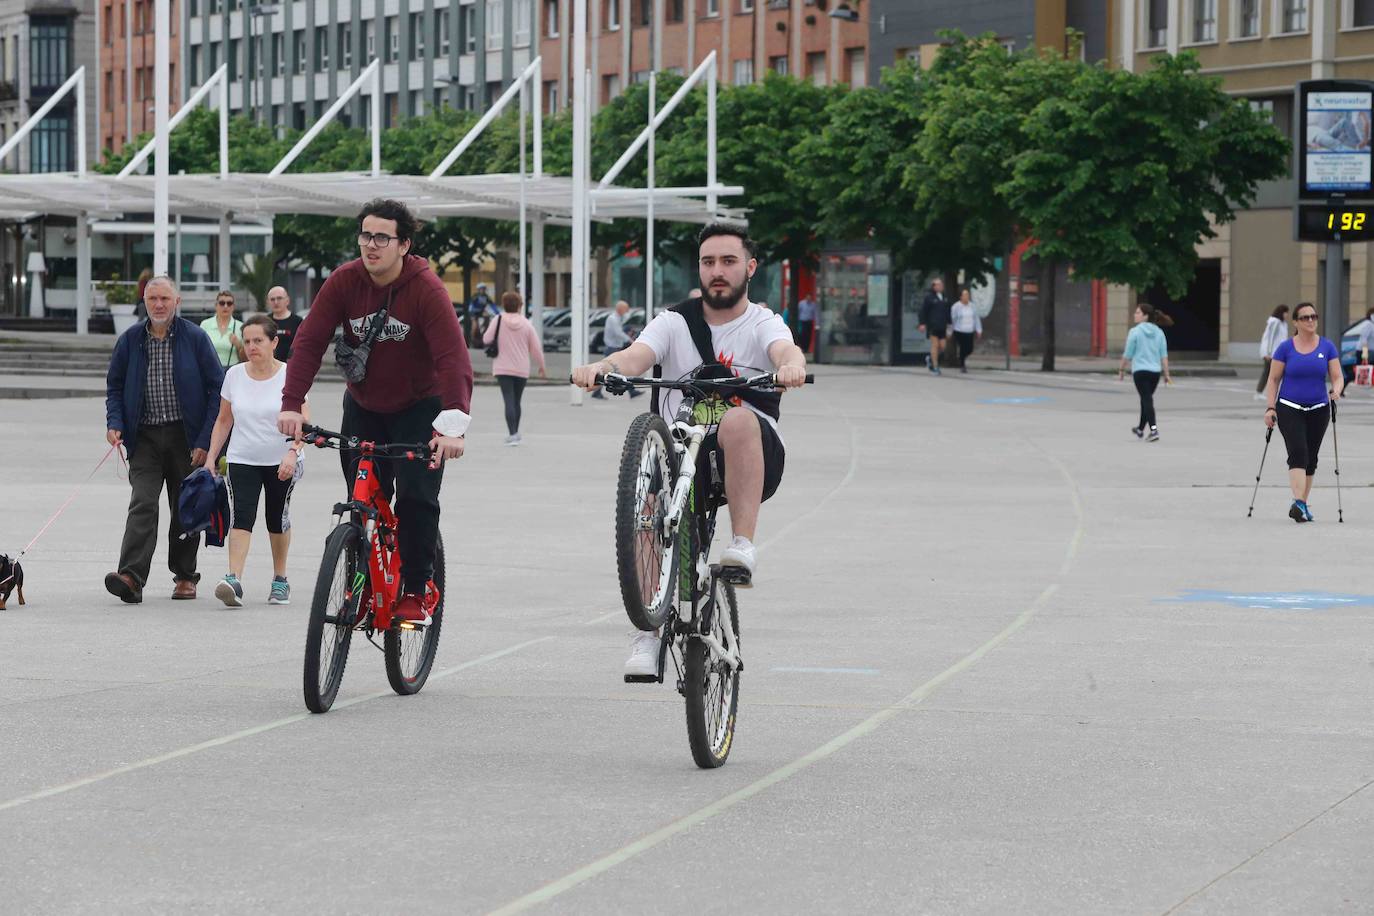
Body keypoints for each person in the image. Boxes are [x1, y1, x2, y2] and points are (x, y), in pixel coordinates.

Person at [571, 223, 808, 678]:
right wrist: (603, 368)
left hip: (749, 455)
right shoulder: (674, 321)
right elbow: (635, 356)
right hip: (681, 461)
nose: (717, 271)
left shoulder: (762, 322)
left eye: (728, 261)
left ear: (750, 267)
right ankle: (648, 628)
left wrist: (792, 368)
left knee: (738, 420)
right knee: (649, 508)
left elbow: (786, 351)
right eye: (708, 262)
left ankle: (742, 546)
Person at [278, 198, 473, 625]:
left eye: (382, 237)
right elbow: (309, 341)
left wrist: (453, 426)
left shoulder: (426, 289)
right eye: (366, 235)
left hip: (421, 408)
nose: (371, 244)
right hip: (364, 406)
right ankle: (360, 584)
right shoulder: (345, 282)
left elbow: (452, 358)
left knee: (418, 498)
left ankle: (419, 591)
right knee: (360, 501)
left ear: (404, 244)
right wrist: (291, 403)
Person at [103, 276, 225, 603]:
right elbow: (114, 387)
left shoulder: (195, 338)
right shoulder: (130, 340)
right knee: (142, 502)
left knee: (185, 508)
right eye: (153, 299)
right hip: (143, 438)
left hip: (186, 438)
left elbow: (218, 389)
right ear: (144, 301)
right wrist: (115, 423)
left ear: (177, 301)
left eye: (165, 299)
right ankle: (130, 576)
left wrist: (205, 440)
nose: (159, 305)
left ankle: (185, 576)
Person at [205, 316, 307, 607]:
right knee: (242, 517)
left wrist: (292, 452)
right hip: (242, 458)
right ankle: (233, 579)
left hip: (281, 460)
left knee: (277, 519)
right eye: (247, 341)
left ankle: (280, 580)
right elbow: (224, 420)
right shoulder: (234, 375)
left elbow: (303, 420)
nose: (251, 346)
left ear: (274, 342)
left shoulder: (291, 375)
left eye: (258, 340)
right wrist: (212, 456)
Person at [1264, 302, 1343, 523]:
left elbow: (1337, 376)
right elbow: (1273, 379)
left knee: (1311, 457)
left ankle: (1302, 504)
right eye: (1305, 317)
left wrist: (1336, 391)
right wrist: (1270, 407)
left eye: (1313, 316)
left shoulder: (1327, 347)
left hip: (1319, 408)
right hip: (1289, 407)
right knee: (1298, 451)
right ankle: (1299, 502)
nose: (1310, 320)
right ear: (1296, 322)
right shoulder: (1285, 348)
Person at [483, 290, 547, 445]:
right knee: (517, 401)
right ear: (520, 305)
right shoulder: (526, 323)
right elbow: (536, 347)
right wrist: (541, 365)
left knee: (508, 400)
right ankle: (516, 433)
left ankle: (512, 434)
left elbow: (486, 339)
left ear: (504, 304)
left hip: (502, 368)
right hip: (521, 369)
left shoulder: (498, 320)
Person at [1118, 303, 1173, 442]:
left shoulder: (1135, 332)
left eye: (1138, 313)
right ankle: (1140, 429)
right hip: (1155, 372)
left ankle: (1154, 431)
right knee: (1146, 399)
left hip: (1140, 372)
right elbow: (1163, 355)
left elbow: (1128, 353)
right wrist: (1166, 374)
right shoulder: (1159, 332)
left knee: (1147, 399)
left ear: (1145, 316)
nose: (1134, 315)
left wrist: (1121, 369)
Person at [592, 300, 642, 400]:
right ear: (620, 309)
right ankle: (631, 391)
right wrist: (630, 340)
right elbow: (618, 333)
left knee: (610, 371)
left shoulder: (618, 318)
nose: (627, 311)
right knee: (619, 370)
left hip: (614, 348)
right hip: (612, 348)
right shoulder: (613, 319)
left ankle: (597, 392)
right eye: (626, 309)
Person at [200, 290, 245, 368]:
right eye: (222, 303)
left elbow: (246, 357)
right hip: (209, 368)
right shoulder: (205, 324)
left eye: (229, 303)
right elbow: (198, 350)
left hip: (232, 369)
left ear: (233, 307)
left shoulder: (240, 326)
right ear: (216, 306)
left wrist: (238, 345)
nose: (225, 306)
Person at [918, 278, 951, 374]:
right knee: (935, 345)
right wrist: (922, 323)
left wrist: (950, 324)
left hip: (942, 326)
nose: (941, 286)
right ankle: (935, 367)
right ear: (934, 286)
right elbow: (923, 311)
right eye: (938, 285)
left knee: (943, 346)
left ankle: (930, 358)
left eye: (941, 284)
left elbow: (948, 312)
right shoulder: (929, 298)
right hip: (933, 326)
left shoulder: (945, 297)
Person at [1258, 305, 1290, 396]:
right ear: (1281, 312)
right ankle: (1259, 392)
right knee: (1268, 373)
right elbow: (1270, 338)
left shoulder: (1283, 324)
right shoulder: (1275, 322)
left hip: (1278, 353)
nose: (1287, 315)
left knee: (1273, 373)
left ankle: (1263, 392)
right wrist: (1268, 353)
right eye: (1286, 312)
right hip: (1271, 353)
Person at [266, 285, 303, 361]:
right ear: (268, 302)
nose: (276, 302)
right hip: (269, 366)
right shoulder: (264, 322)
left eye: (279, 298)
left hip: (291, 366)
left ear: (287, 301)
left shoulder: (298, 321)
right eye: (272, 299)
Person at [950, 288, 982, 374]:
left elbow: (976, 318)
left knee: (969, 349)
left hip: (969, 330)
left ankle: (961, 358)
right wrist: (950, 330)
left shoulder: (972, 306)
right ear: (960, 297)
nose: (966, 296)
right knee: (963, 347)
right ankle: (962, 365)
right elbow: (953, 319)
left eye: (967, 295)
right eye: (964, 295)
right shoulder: (956, 307)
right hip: (959, 330)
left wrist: (978, 330)